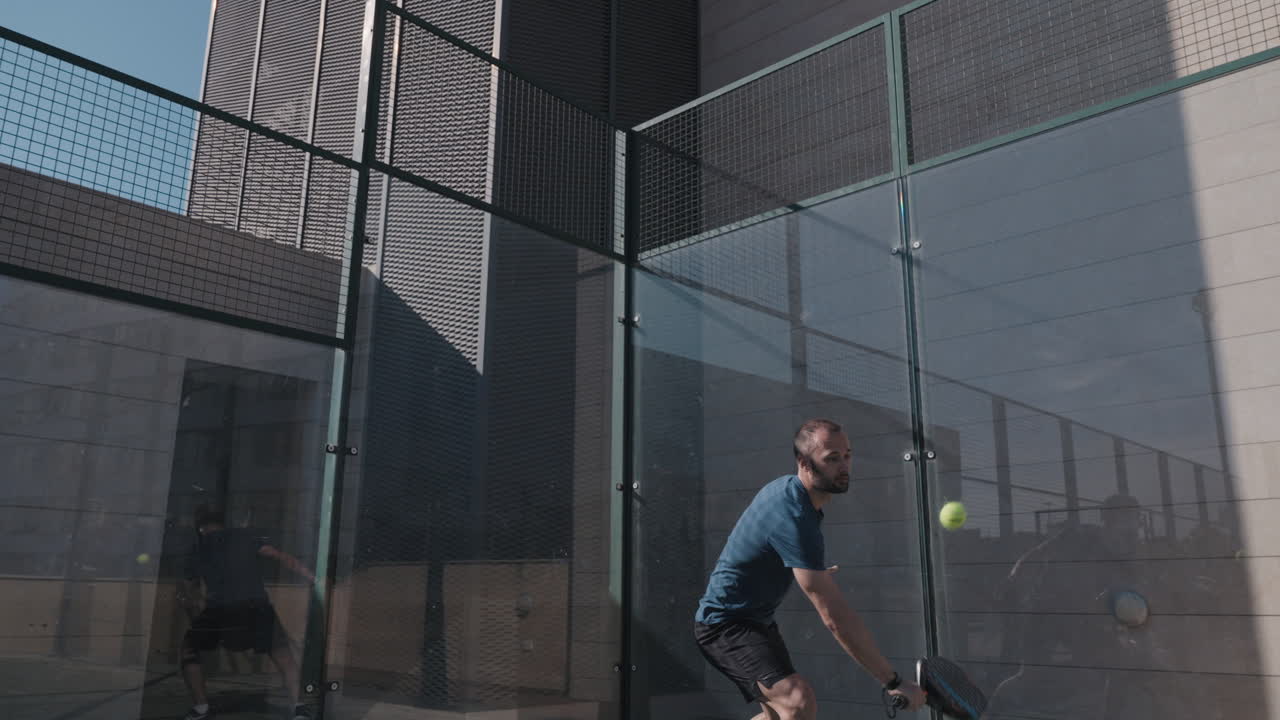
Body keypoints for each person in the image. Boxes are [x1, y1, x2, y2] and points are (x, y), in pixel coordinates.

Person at [694, 419, 927, 720]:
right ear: (804, 463)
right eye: (831, 459)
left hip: (756, 622)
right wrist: (892, 681)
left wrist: (812, 573)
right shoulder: (792, 513)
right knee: (797, 700)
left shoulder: (797, 499)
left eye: (847, 455)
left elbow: (767, 556)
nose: (843, 466)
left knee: (778, 715)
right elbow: (834, 618)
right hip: (724, 626)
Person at [178, 506, 315, 720]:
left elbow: (188, 592)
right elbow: (279, 556)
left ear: (201, 527)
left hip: (219, 609)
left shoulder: (199, 546)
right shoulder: (243, 537)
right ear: (224, 523)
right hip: (256, 607)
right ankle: (299, 707)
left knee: (189, 652)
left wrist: (196, 622)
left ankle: (201, 708)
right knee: (283, 655)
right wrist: (313, 578)